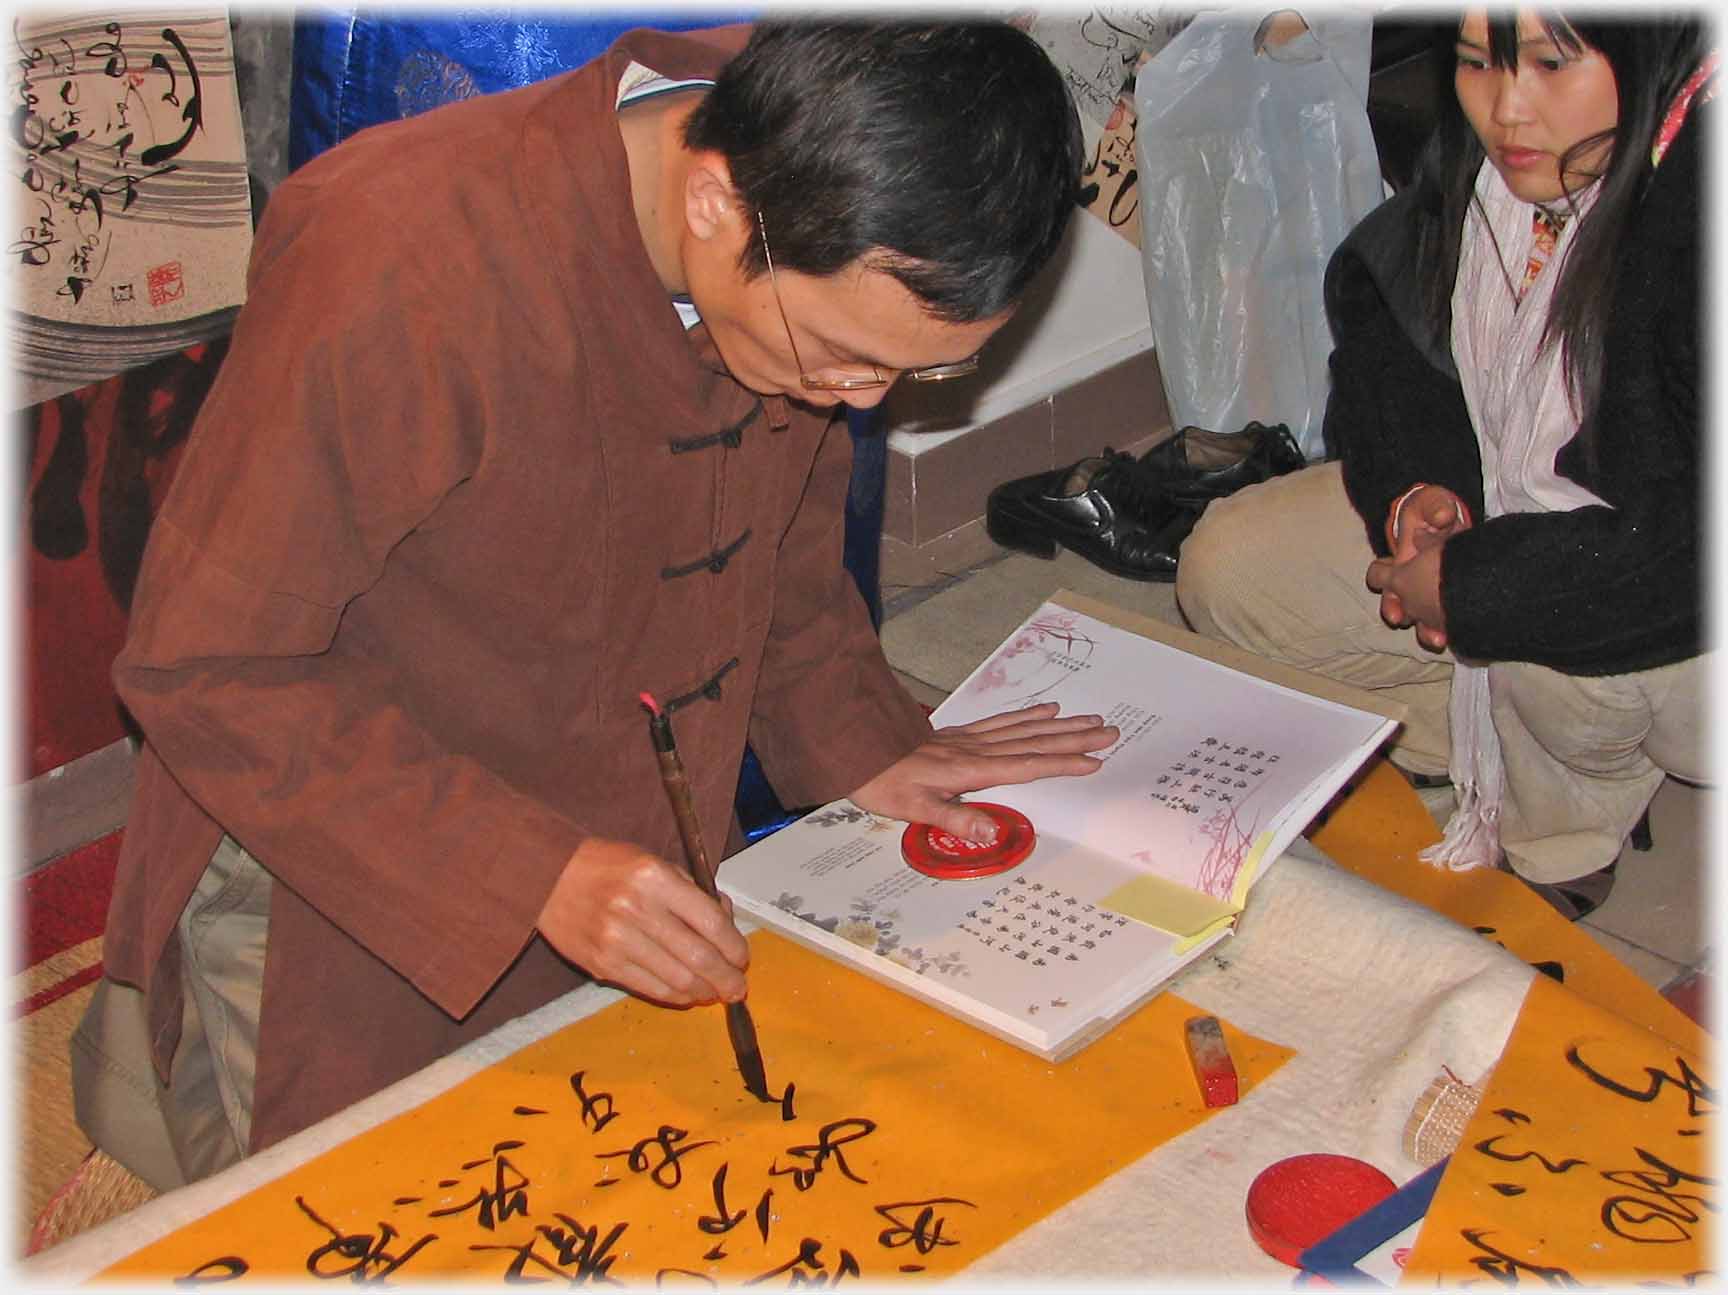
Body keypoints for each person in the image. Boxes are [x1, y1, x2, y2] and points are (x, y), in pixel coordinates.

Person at [73, 20, 1116, 1190]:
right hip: (346, 847)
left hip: (627, 798)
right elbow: (207, 668)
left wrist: (858, 735)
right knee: (369, 1205)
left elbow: (787, 541)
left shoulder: (804, 174)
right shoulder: (399, 256)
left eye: (909, 373)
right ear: (716, 201)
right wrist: (530, 870)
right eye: (837, 353)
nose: (863, 397)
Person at [1176, 11, 1712, 918]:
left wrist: (1476, 585)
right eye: (1476, 64)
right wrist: (1419, 487)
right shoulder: (1493, 159)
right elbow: (1392, 335)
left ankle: (1569, 824)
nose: (1508, 109)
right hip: (1538, 529)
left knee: (1541, 608)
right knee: (1227, 573)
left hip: (1687, 603)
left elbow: (1689, 545)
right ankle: (1521, 735)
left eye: (1551, 64)